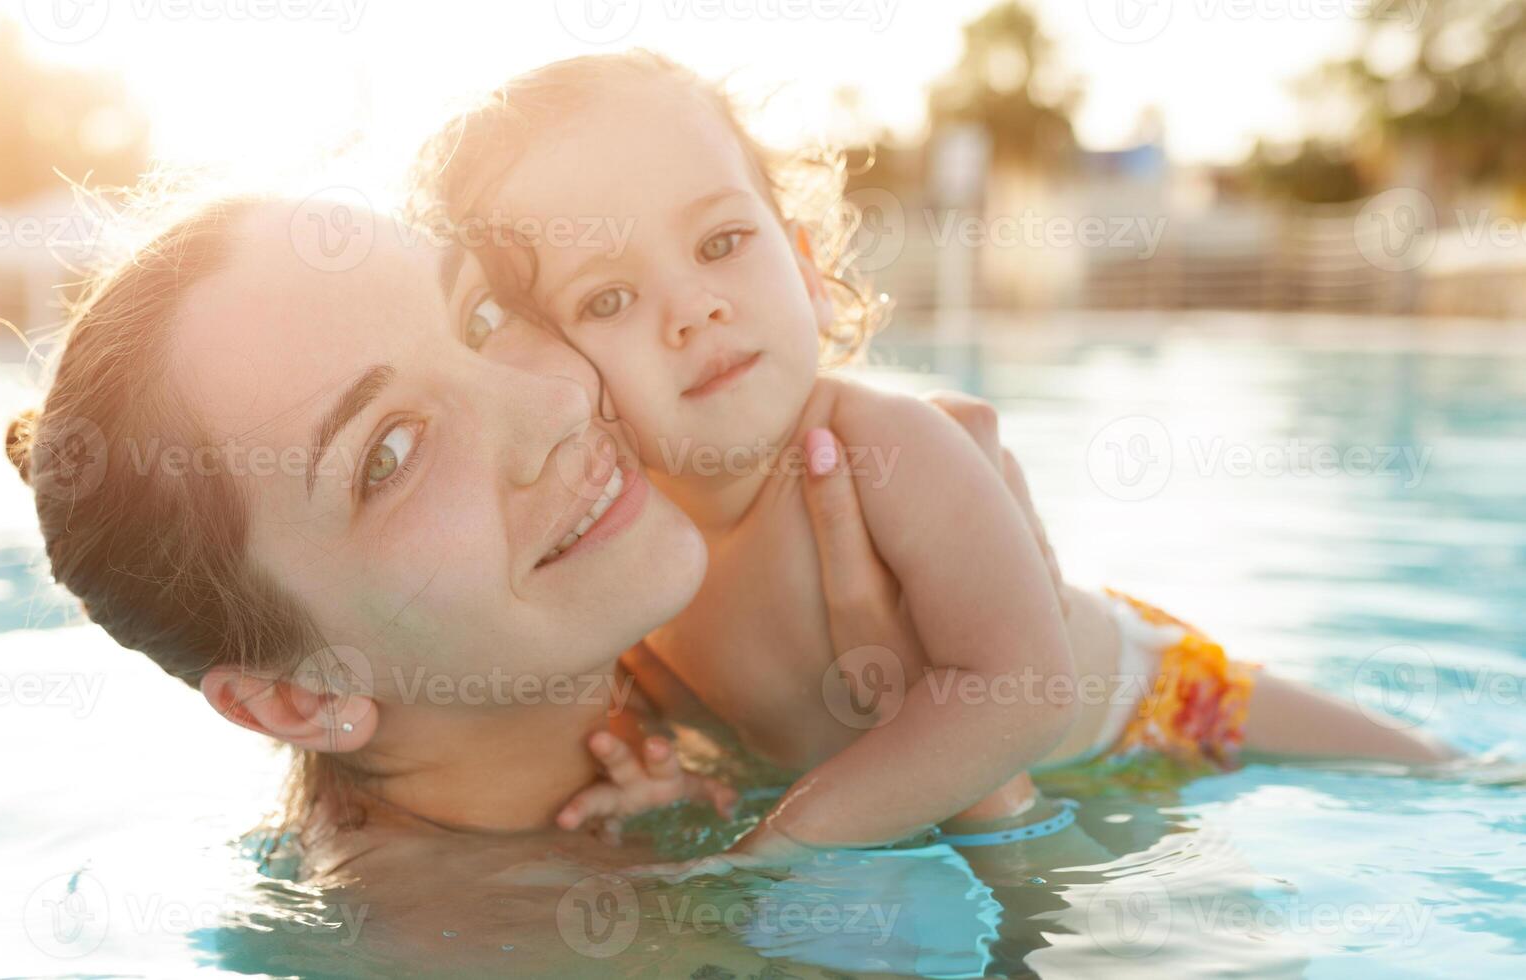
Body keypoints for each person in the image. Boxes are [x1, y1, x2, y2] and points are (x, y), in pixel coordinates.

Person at [410, 51, 1458, 859]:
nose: (695, 308)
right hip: (1024, 783)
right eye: (610, 297)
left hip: (1152, 693)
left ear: (810, 268)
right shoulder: (638, 579)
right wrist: (685, 790)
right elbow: (746, 746)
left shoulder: (877, 447)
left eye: (723, 241)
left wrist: (784, 845)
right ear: (557, 375)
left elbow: (1025, 686)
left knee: (1434, 774)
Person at [3, 195, 1073, 972]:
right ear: (300, 694)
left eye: (477, 317)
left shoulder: (648, 675)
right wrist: (967, 765)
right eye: (389, 451)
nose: (553, 400)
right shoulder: (495, 950)